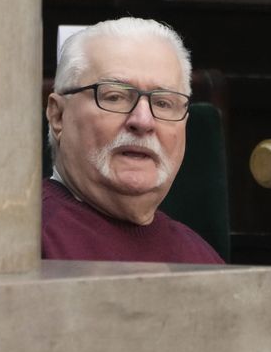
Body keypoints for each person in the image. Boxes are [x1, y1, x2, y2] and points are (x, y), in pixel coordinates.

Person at [43, 17, 224, 264]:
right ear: (58, 116)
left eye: (163, 103)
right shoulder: (17, 243)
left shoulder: (200, 257)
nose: (143, 121)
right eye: (115, 97)